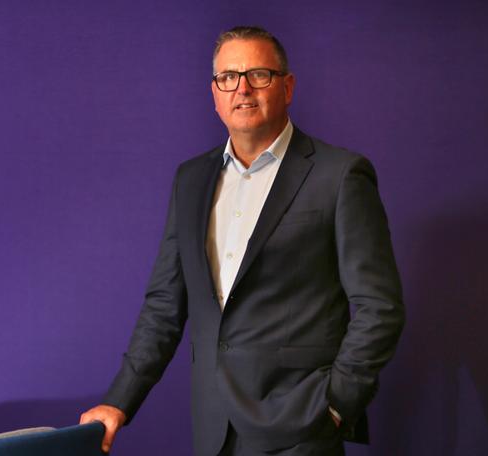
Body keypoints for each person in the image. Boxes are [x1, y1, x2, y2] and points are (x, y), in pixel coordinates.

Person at [80, 26, 404, 456]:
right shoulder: (191, 180)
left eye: (259, 75)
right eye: (228, 77)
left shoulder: (340, 175)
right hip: (214, 429)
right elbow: (164, 305)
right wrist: (118, 401)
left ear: (287, 87)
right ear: (214, 94)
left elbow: (380, 306)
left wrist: (336, 404)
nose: (243, 88)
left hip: (302, 426)